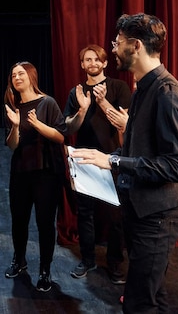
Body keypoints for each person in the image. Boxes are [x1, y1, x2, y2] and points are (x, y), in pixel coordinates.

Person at [70, 13, 178, 313]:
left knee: (140, 303)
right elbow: (141, 147)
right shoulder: (143, 88)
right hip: (143, 210)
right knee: (152, 296)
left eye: (117, 43)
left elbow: (177, 167)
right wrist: (110, 159)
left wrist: (114, 162)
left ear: (136, 46)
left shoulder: (168, 94)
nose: (113, 49)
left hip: (158, 216)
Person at [64, 44, 131, 284]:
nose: (92, 63)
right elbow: (69, 128)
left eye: (96, 59)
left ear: (104, 63)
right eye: (87, 60)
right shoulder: (77, 92)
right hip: (83, 158)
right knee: (85, 215)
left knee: (115, 216)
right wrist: (82, 109)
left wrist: (103, 102)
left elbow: (127, 125)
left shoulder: (119, 87)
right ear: (82, 65)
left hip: (112, 159)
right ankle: (88, 259)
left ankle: (114, 264)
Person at [3, 61, 67, 292]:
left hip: (46, 173)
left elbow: (60, 136)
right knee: (18, 220)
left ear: (32, 76)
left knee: (44, 223)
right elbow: (12, 145)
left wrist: (37, 125)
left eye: (21, 73)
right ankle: (19, 261)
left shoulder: (47, 102)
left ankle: (45, 270)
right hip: (20, 171)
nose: (16, 77)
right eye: (13, 75)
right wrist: (15, 126)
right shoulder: (12, 105)